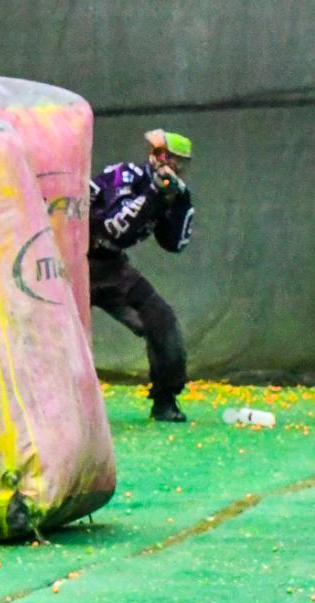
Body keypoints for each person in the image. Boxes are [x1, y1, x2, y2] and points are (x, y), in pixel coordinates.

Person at [88, 129, 195, 421]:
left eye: (182, 163)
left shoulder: (166, 191)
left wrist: (180, 201)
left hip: (111, 267)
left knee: (161, 320)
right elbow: (113, 228)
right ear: (158, 157)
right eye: (173, 160)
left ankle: (165, 399)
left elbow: (174, 243)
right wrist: (153, 196)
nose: (177, 168)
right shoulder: (126, 176)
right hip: (71, 263)